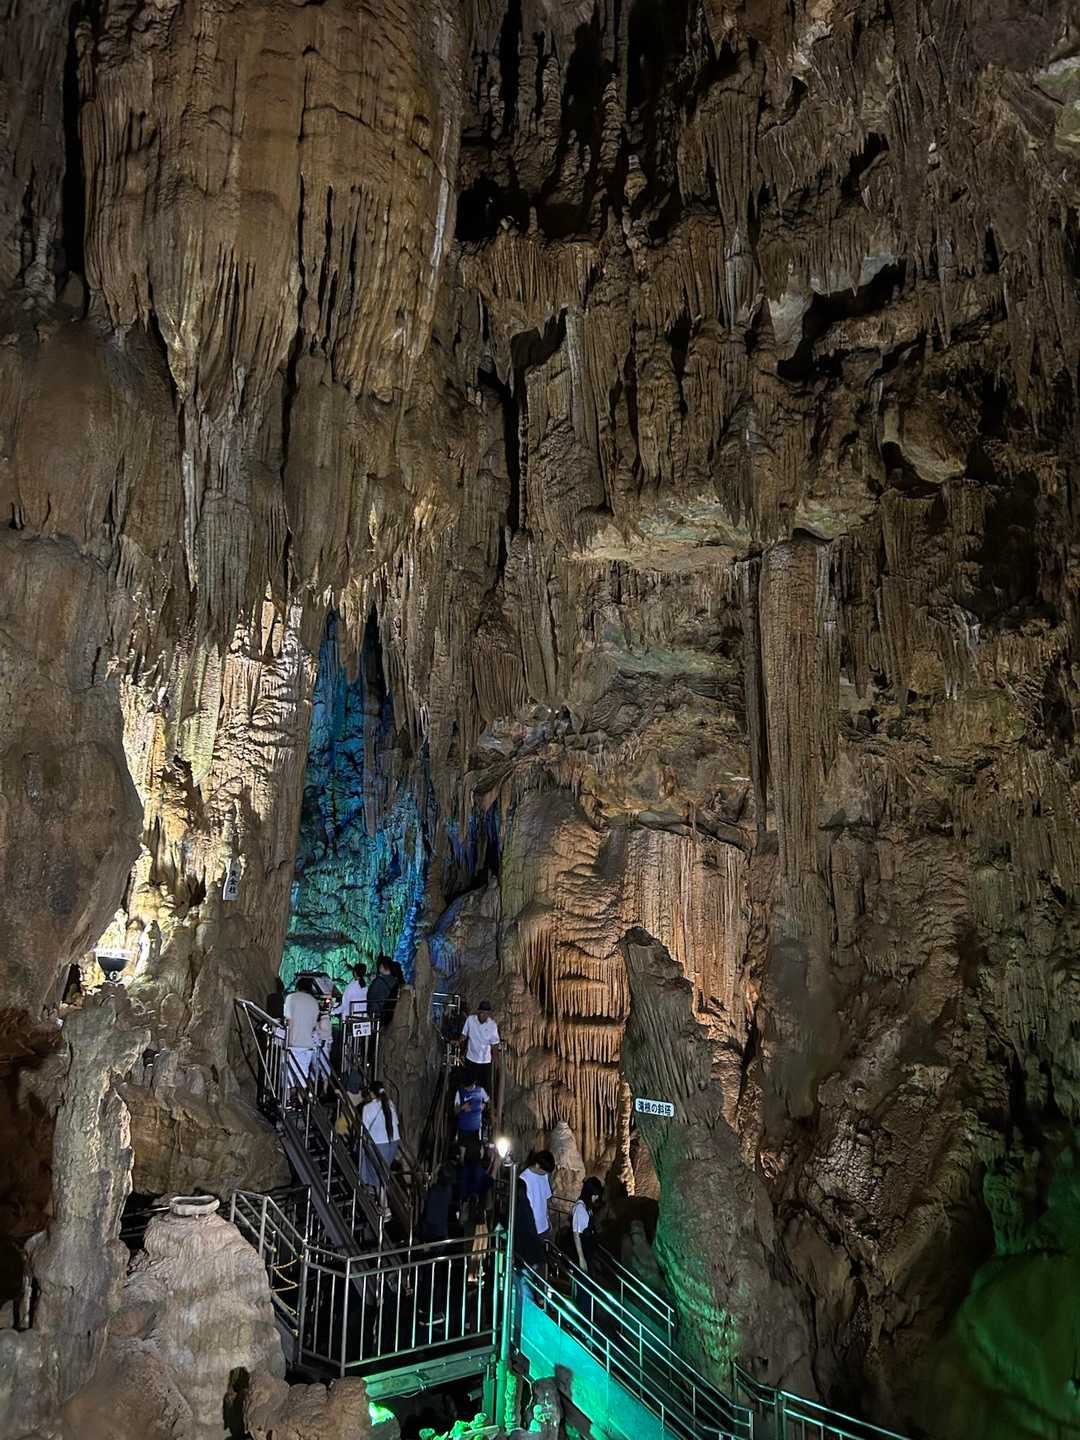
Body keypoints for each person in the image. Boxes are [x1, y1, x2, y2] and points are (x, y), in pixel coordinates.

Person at [360, 1079, 400, 1199]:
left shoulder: (367, 1107)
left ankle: (383, 1203)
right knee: (384, 1171)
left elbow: (364, 1129)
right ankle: (383, 1198)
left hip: (379, 1143)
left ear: (372, 1093)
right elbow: (396, 1122)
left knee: (376, 1172)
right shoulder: (390, 1103)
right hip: (393, 1141)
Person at [283, 977, 320, 1105]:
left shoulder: (291, 998)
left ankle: (287, 1101)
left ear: (297, 987)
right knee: (302, 1075)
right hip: (307, 1045)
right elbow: (314, 1024)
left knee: (288, 1074)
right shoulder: (314, 1002)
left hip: (293, 1043)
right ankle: (300, 1101)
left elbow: (288, 1021)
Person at [461, 999, 500, 1094]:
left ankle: (482, 1102)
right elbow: (464, 1034)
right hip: (471, 1058)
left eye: (486, 1014)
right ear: (478, 1012)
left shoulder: (492, 1025)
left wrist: (496, 1059)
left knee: (483, 1087)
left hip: (485, 1062)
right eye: (482, 1013)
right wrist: (458, 1041)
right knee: (467, 1084)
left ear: (489, 1014)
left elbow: (494, 1044)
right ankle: (467, 1100)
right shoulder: (470, 1020)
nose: (484, 1016)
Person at [520, 1149, 555, 1246]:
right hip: (531, 1228)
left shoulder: (544, 1175)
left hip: (544, 1226)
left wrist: (548, 1219)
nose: (546, 1174)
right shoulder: (523, 1179)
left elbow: (546, 1198)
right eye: (544, 1171)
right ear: (537, 1165)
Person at [571, 1177, 604, 1273]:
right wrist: (581, 1258)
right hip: (583, 1249)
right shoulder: (580, 1209)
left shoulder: (587, 1206)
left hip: (588, 1248)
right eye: (595, 1195)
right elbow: (576, 1234)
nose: (597, 1197)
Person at [420, 1162, 458, 1242]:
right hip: (440, 1229)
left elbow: (426, 1199)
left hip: (431, 1228)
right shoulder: (448, 1190)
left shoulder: (436, 1190)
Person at [454, 1077, 489, 1143]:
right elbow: (455, 1111)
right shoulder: (460, 1092)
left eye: (469, 1086)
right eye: (466, 1087)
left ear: (473, 1083)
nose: (467, 1089)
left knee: (476, 1146)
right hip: (463, 1129)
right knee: (462, 1146)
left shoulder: (480, 1090)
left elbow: (487, 1101)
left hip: (476, 1129)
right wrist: (462, 1107)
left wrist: (483, 1106)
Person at [367, 957, 400, 1021]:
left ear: (382, 966)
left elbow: (370, 996)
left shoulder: (378, 981)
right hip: (391, 1013)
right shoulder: (395, 981)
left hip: (378, 1014)